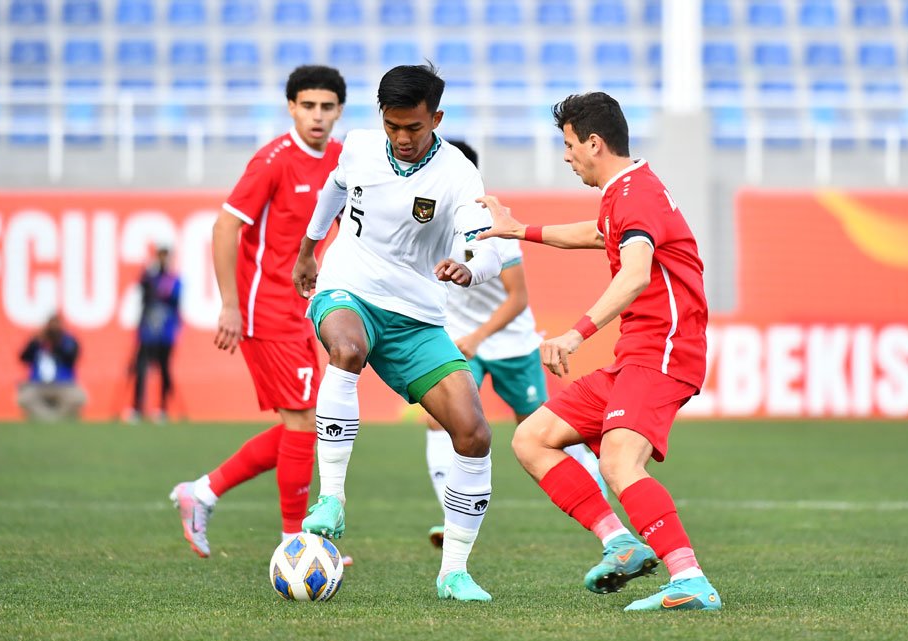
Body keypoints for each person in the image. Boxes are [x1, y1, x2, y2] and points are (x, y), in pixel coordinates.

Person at [477, 92, 721, 612]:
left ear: (594, 142)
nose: (566, 157)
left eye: (569, 145)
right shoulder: (624, 191)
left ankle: (691, 579)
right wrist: (521, 230)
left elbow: (634, 274)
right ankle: (620, 543)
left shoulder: (635, 194)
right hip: (634, 355)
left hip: (664, 351)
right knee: (532, 439)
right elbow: (595, 234)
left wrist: (574, 333)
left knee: (618, 461)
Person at [291, 64, 504, 602]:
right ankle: (332, 499)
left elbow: (489, 247)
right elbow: (333, 192)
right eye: (393, 126)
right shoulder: (360, 147)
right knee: (347, 349)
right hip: (349, 289)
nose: (403, 138)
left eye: (413, 127)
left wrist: (469, 266)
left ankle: (453, 573)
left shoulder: (458, 175)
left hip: (417, 316)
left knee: (474, 433)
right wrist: (308, 250)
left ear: (436, 117)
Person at [169, 65, 349, 561]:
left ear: (339, 111)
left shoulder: (340, 159)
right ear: (291, 107)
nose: (317, 115)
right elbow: (225, 227)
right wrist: (229, 303)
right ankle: (296, 541)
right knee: (303, 423)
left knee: (308, 424)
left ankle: (202, 492)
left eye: (326, 106)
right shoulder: (273, 159)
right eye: (307, 106)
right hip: (263, 307)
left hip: (304, 307)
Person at [423, 140, 605, 548]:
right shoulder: (427, 221)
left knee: (543, 430)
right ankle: (449, 518)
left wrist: (477, 336)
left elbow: (517, 298)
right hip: (459, 342)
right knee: (441, 420)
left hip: (509, 344)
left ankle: (599, 498)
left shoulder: (494, 228)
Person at [131, 245, 181, 423]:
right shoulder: (149, 277)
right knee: (141, 368)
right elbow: (142, 292)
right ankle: (137, 407)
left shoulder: (174, 279)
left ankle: (163, 407)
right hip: (148, 331)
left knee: (164, 369)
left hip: (166, 332)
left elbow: (173, 298)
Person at [17, 313, 86, 421]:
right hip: (38, 384)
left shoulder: (68, 340)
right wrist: (34, 342)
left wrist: (55, 345)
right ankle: (45, 417)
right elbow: (23, 358)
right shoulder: (38, 341)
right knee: (24, 397)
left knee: (78, 397)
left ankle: (59, 417)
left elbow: (72, 357)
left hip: (63, 384)